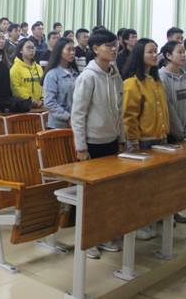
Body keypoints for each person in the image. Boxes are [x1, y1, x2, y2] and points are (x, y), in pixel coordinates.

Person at [71, 30, 124, 256]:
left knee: (108, 193)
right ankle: (88, 240)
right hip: (92, 143)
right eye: (108, 46)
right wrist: (81, 147)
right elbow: (78, 114)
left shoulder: (115, 75)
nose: (113, 49)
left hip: (112, 141)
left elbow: (120, 111)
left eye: (114, 45)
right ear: (95, 49)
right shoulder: (88, 76)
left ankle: (103, 235)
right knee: (91, 196)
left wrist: (121, 138)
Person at [122, 38, 169, 240]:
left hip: (160, 139)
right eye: (150, 51)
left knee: (155, 186)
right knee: (140, 188)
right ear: (139, 55)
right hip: (142, 141)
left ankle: (151, 218)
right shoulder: (132, 83)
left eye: (155, 51)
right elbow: (128, 116)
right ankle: (137, 225)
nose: (154, 55)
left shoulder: (156, 81)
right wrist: (133, 141)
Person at [159, 42, 186, 142]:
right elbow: (168, 106)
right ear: (168, 55)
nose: (184, 55)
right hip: (170, 134)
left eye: (184, 52)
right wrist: (178, 131)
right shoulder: (161, 77)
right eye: (180, 52)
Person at [43, 38, 79, 129]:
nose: (72, 53)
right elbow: (49, 102)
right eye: (69, 50)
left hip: (76, 122)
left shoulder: (75, 73)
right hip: (58, 125)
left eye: (73, 50)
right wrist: (68, 117)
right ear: (59, 52)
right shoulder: (52, 74)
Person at [10, 38, 44, 108]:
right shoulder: (15, 68)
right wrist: (31, 100)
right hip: (24, 106)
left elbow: (43, 85)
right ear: (21, 50)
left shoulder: (38, 67)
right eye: (28, 48)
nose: (31, 50)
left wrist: (42, 99)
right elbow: (16, 88)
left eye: (33, 48)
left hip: (40, 105)